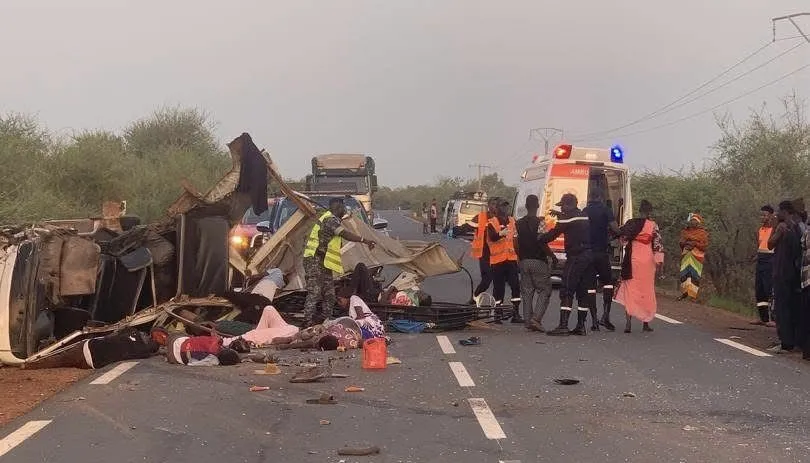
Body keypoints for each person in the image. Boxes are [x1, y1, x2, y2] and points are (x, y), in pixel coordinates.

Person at [303, 197, 376, 327]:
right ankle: (307, 321)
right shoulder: (330, 220)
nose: (344, 210)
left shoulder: (331, 219)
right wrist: (365, 240)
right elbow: (345, 234)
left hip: (323, 262)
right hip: (314, 260)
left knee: (330, 293)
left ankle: (325, 319)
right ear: (337, 206)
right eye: (343, 207)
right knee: (314, 292)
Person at [538, 193, 596, 336]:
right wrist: (560, 215)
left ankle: (563, 325)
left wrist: (540, 237)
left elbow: (553, 234)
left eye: (562, 206)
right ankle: (581, 326)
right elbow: (569, 221)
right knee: (583, 292)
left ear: (568, 204)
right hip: (589, 256)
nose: (562, 209)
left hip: (576, 257)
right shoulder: (582, 215)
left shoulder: (567, 217)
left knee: (567, 290)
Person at [614, 200, 664, 333]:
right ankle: (646, 323)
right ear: (649, 212)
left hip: (633, 259)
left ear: (639, 210)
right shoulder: (653, 225)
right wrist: (659, 262)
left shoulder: (631, 223)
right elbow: (657, 244)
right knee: (646, 290)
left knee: (631, 289)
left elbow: (623, 240)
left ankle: (628, 324)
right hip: (647, 261)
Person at [515, 194, 557, 331]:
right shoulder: (541, 222)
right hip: (538, 260)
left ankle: (528, 321)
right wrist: (552, 256)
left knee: (527, 292)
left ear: (526, 206)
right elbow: (542, 241)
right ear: (538, 206)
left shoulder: (518, 223)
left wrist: (519, 256)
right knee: (545, 290)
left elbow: (515, 241)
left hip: (524, 261)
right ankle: (536, 319)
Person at [583, 188, 621, 331]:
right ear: (600, 197)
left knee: (590, 287)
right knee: (608, 283)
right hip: (601, 253)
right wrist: (615, 235)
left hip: (588, 254)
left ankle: (594, 321)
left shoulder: (585, 211)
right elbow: (616, 229)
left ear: (590, 197)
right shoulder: (606, 210)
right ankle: (605, 316)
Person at [768, 200, 802, 354]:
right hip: (791, 274)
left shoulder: (783, 227)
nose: (777, 214)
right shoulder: (796, 227)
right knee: (789, 308)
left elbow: (770, 244)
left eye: (779, 211)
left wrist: (774, 227)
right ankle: (790, 341)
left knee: (782, 309)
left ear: (785, 211)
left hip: (783, 274)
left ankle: (785, 343)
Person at [485, 199, 522, 324]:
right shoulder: (492, 222)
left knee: (515, 286)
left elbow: (516, 240)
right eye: (502, 207)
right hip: (497, 261)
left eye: (506, 207)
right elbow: (492, 237)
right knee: (499, 288)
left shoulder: (512, 221)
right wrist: (501, 233)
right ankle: (498, 313)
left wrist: (519, 257)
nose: (504, 210)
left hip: (511, 259)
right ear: (497, 209)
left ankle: (516, 313)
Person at [470, 198, 499, 305]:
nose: (494, 206)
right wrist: (456, 230)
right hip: (484, 253)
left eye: (496, 204)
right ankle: (474, 299)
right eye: (492, 204)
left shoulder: (501, 219)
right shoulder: (480, 217)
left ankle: (495, 307)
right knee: (487, 279)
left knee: (494, 281)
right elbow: (468, 226)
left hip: (497, 254)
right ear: (488, 205)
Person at [752, 205, 776, 326]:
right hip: (760, 259)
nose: (763, 217)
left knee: (769, 288)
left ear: (771, 215)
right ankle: (763, 318)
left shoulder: (775, 229)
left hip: (770, 260)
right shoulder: (760, 230)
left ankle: (773, 318)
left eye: (765, 215)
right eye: (761, 215)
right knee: (759, 288)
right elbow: (759, 245)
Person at [677, 213, 709, 301]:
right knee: (684, 274)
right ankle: (684, 293)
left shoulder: (703, 233)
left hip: (697, 256)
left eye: (695, 221)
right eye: (691, 220)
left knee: (694, 275)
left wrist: (695, 243)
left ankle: (692, 296)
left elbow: (704, 246)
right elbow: (681, 243)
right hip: (686, 254)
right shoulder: (685, 231)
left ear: (698, 222)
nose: (692, 222)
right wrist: (686, 243)